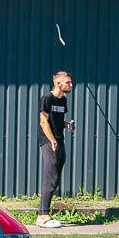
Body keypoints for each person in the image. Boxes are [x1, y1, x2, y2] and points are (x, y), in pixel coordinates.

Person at [36, 71, 73, 228]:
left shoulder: (63, 100)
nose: (70, 85)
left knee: (56, 178)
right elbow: (44, 122)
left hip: (59, 141)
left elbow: (56, 119)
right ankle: (43, 216)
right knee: (51, 178)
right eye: (68, 82)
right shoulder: (47, 98)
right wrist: (52, 141)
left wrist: (67, 125)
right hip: (48, 141)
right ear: (59, 83)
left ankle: (44, 214)